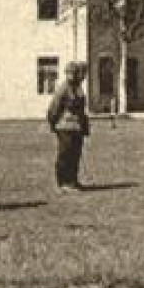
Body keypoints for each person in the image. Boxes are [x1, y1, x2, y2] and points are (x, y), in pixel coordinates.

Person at [46, 60, 91, 193]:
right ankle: (63, 183)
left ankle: (72, 181)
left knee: (75, 155)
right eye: (81, 73)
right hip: (65, 126)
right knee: (65, 155)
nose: (83, 77)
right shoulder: (63, 88)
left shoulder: (78, 88)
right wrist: (53, 123)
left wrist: (84, 126)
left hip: (77, 127)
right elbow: (54, 108)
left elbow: (81, 110)